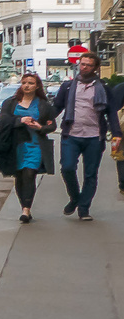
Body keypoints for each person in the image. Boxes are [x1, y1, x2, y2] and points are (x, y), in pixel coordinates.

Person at [49, 51, 122, 219]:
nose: (84, 67)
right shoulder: (68, 86)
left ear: (95, 68)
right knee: (67, 168)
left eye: (89, 65)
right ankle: (75, 197)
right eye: (82, 64)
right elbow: (57, 107)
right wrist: (44, 120)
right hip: (71, 135)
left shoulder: (103, 88)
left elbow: (111, 112)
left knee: (90, 174)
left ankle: (83, 208)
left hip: (94, 137)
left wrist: (116, 133)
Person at [0, 72, 56, 223]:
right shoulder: (11, 103)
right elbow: (2, 121)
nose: (27, 86)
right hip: (15, 145)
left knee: (30, 173)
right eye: (24, 83)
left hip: (35, 145)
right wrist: (20, 120)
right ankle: (24, 205)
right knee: (19, 176)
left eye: (31, 83)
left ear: (37, 86)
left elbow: (52, 125)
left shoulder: (44, 105)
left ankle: (26, 210)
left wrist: (40, 127)